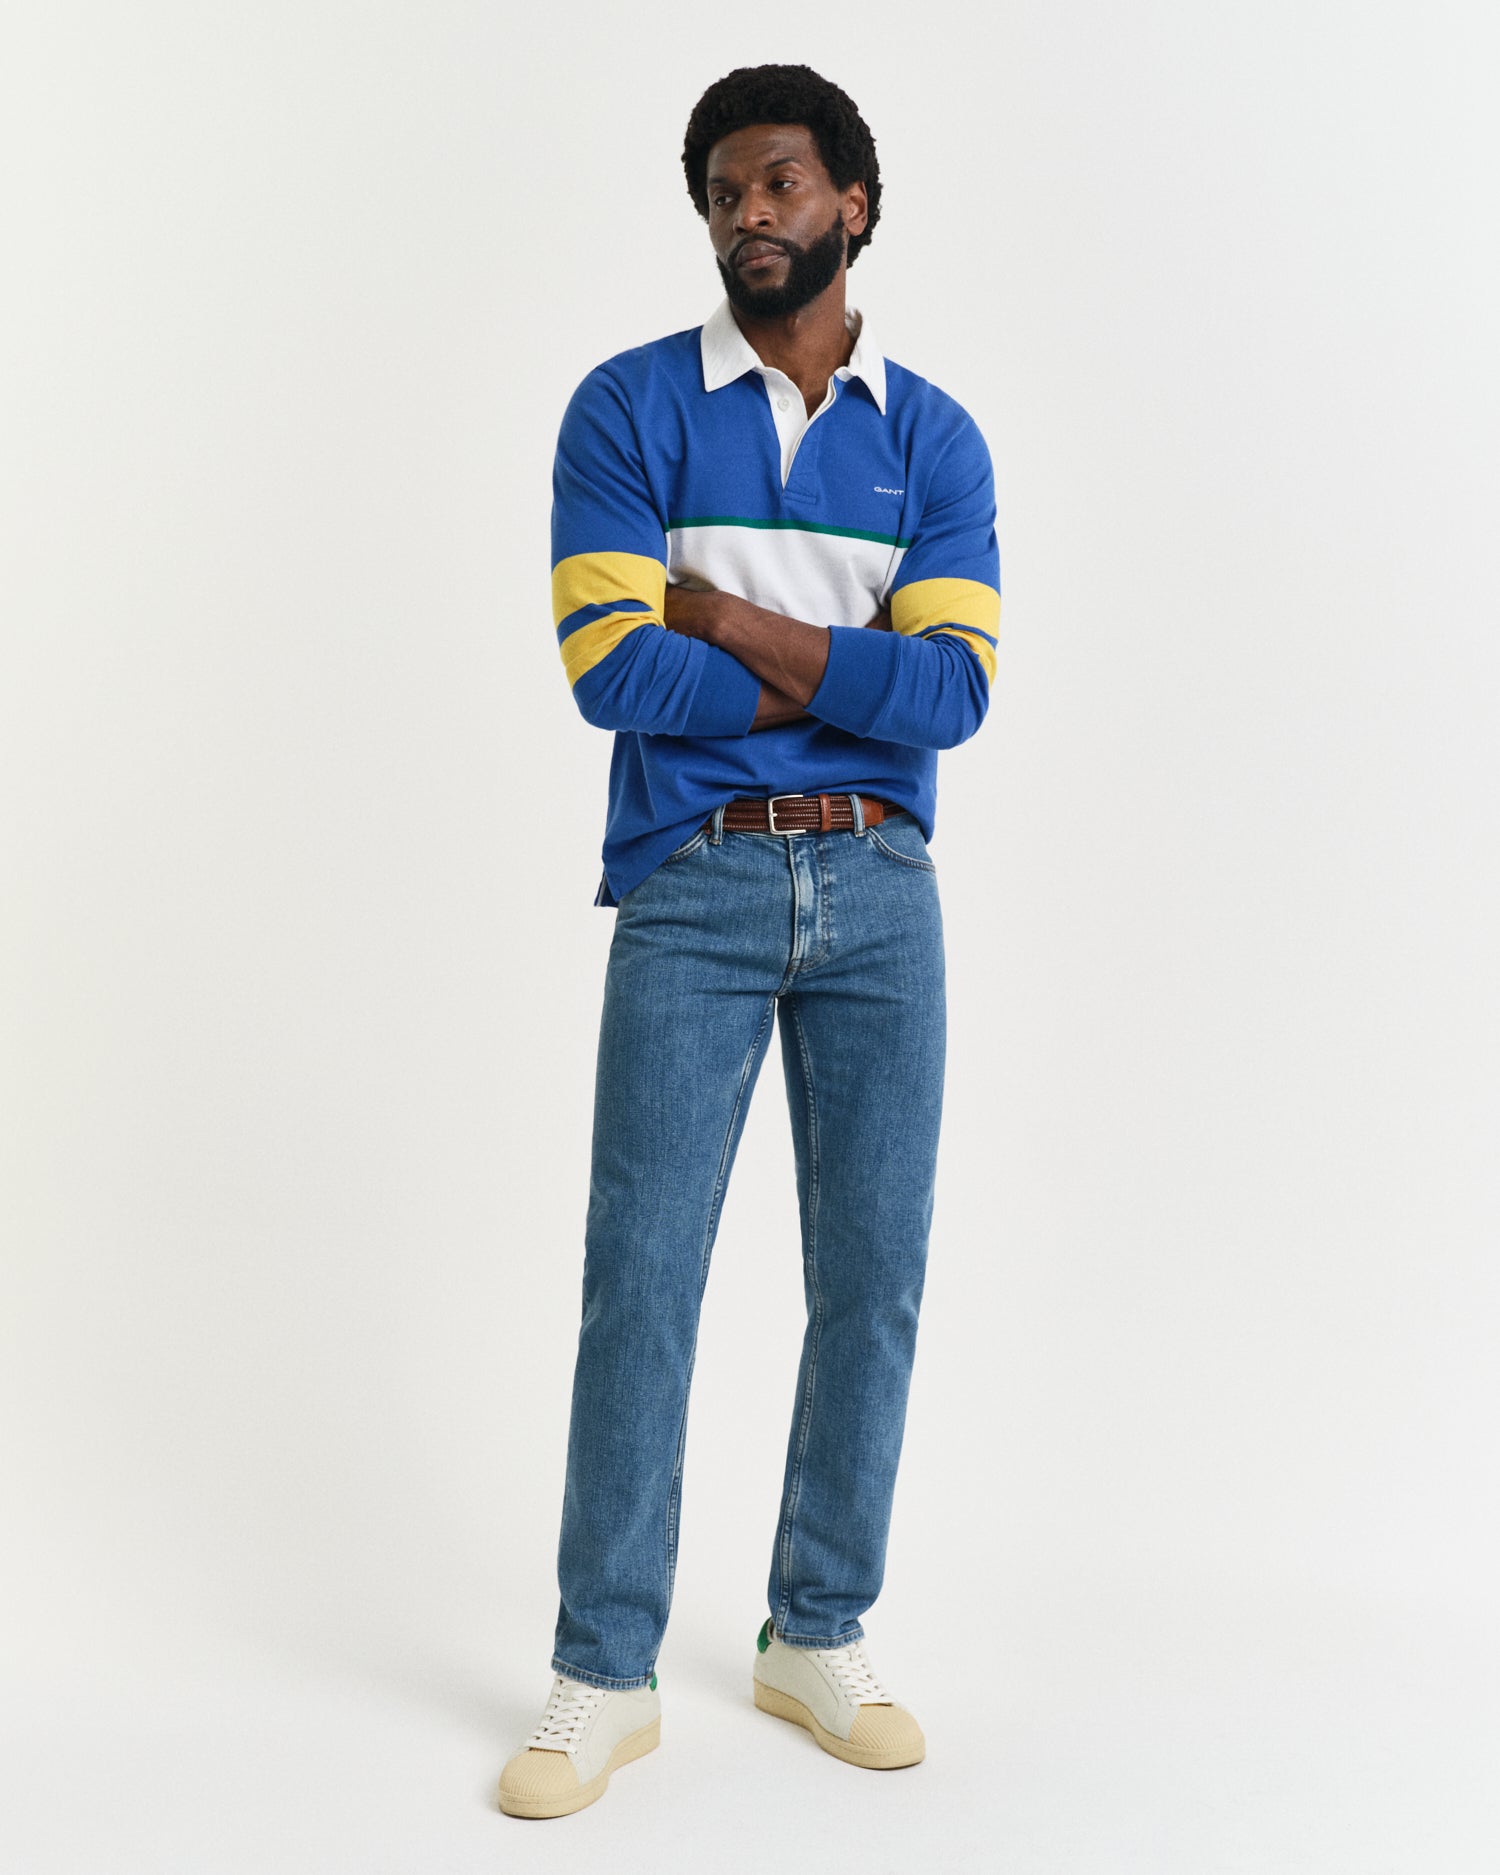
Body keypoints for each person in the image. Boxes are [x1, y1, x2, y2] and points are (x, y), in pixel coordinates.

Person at [498, 62, 1000, 1820]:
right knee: (641, 1274)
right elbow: (609, 670)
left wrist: (722, 614)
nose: (749, 213)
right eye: (724, 190)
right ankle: (602, 1668)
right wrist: (839, 671)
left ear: (854, 202)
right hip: (693, 883)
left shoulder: (933, 438)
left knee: (873, 1275)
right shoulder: (627, 408)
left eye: (781, 181)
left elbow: (956, 693)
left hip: (883, 891)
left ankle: (817, 1629)